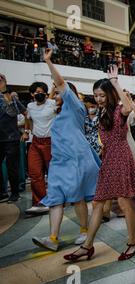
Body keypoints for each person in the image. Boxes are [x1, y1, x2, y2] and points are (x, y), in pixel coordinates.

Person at [63, 64, 135, 262]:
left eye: (102, 95)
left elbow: (130, 108)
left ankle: (132, 242)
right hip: (108, 158)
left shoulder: (119, 110)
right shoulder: (101, 113)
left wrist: (115, 82)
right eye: (96, 95)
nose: (99, 99)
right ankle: (87, 246)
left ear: (109, 94)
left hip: (120, 157)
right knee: (98, 203)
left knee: (124, 202)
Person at [31, 48, 100, 251]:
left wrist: (48, 62)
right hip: (59, 161)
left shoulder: (76, 106)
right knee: (56, 199)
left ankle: (84, 231)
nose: (54, 92)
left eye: (57, 90)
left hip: (76, 158)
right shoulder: (58, 112)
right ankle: (52, 238)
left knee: (77, 196)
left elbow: (61, 84)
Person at [24, 82, 58, 213]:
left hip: (51, 142)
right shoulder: (30, 106)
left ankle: (56, 200)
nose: (40, 94)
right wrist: (27, 132)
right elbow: (28, 119)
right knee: (34, 172)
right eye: (37, 92)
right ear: (32, 94)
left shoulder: (52, 103)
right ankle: (40, 202)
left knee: (53, 173)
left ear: (46, 92)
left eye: (42, 91)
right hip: (36, 142)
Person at [0, 74, 27, 203]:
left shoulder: (11, 96)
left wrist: (5, 91)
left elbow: (19, 112)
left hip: (11, 138)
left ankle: (15, 193)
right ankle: (2, 192)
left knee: (12, 167)